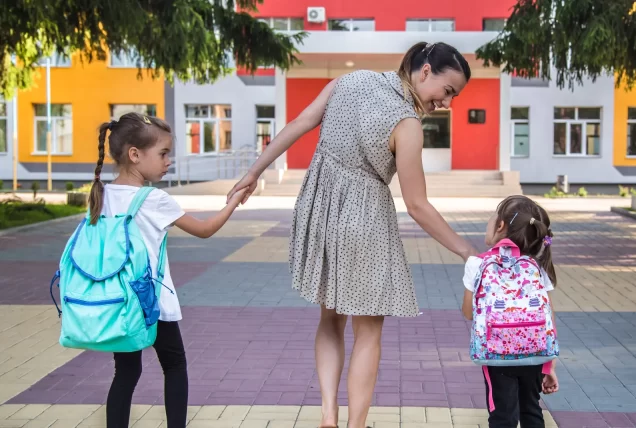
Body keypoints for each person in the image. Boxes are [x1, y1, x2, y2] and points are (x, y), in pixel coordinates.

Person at [227, 42, 477, 428]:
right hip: (366, 222)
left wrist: (252, 173)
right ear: (425, 71)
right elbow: (418, 205)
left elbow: (299, 124)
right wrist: (466, 251)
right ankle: (355, 425)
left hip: (321, 209)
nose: (446, 103)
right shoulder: (406, 124)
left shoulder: (350, 81)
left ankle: (328, 414)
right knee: (368, 330)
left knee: (330, 318)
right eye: (447, 91)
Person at [87, 113, 247, 428]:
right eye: (162, 153)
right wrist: (234, 202)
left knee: (126, 372)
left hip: (118, 300)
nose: (168, 161)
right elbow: (204, 230)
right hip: (152, 301)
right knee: (174, 366)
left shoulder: (101, 194)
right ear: (135, 155)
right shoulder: (154, 199)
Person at [461, 195, 560, 428]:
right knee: (532, 410)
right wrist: (549, 365)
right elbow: (548, 319)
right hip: (534, 353)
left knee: (502, 415)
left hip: (497, 356)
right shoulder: (536, 264)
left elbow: (469, 313)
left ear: (500, 226)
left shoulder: (477, 263)